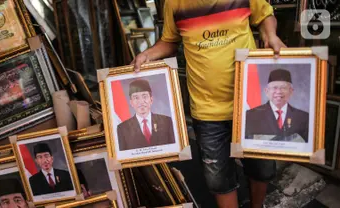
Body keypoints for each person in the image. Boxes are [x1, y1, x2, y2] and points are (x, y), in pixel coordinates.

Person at [131, 0, 286, 207]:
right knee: (219, 179)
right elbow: (170, 40)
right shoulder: (174, 3)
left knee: (261, 168)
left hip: (251, 102)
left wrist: (271, 35)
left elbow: (265, 16)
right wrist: (146, 54)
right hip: (206, 110)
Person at [245, 69, 309, 142]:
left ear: (291, 91)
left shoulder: (304, 118)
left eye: (283, 88)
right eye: (274, 88)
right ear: (266, 91)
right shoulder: (251, 116)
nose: (278, 92)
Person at [117, 79, 175, 151]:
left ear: (151, 99)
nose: (141, 102)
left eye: (144, 96)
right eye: (136, 98)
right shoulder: (122, 128)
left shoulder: (167, 121)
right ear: (131, 103)